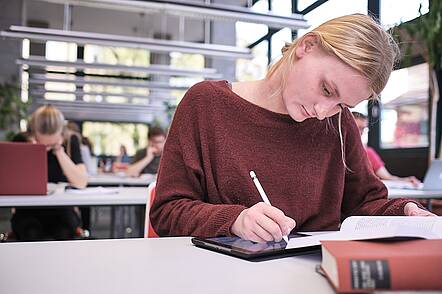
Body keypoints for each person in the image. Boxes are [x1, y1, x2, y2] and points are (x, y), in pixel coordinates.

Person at [150, 14, 434, 243]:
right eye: (326, 89)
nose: (323, 112)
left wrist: (404, 212)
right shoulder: (206, 104)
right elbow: (167, 211)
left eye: (342, 105)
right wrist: (235, 220)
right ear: (306, 46)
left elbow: (364, 204)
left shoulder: (337, 123)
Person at [11, 105, 88, 241]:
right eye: (43, 144)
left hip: (62, 208)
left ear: (61, 133)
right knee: (31, 233)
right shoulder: (21, 140)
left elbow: (81, 182)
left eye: (50, 144)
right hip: (28, 208)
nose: (47, 148)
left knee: (63, 233)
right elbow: (13, 182)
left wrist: (58, 150)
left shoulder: (71, 141)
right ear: (33, 133)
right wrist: (32, 152)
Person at [352, 111, 421, 186]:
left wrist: (405, 180)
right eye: (357, 128)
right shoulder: (340, 152)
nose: (360, 132)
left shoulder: (368, 153)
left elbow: (387, 177)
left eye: (363, 129)